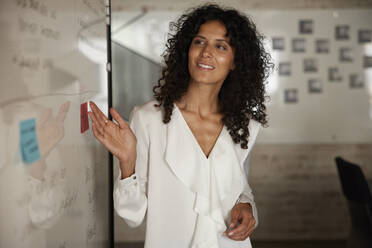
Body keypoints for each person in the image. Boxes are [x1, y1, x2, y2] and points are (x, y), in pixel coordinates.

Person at [89, 4, 272, 248]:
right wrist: (127, 162)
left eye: (220, 46)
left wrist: (247, 207)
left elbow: (241, 188)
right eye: (199, 42)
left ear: (235, 62)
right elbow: (132, 216)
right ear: (187, 50)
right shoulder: (149, 119)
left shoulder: (244, 126)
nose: (206, 52)